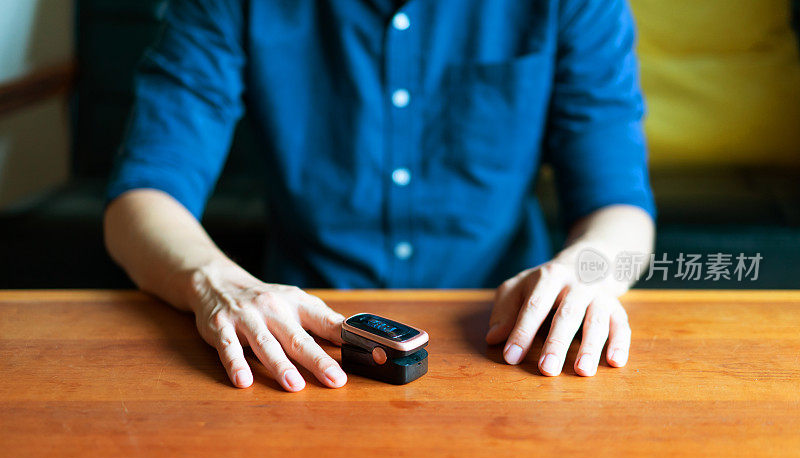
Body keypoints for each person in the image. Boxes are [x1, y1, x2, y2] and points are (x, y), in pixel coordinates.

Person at [104, 0, 655, 391]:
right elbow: (144, 193)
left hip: (508, 347)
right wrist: (216, 283)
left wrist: (589, 271)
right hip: (302, 352)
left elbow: (621, 204)